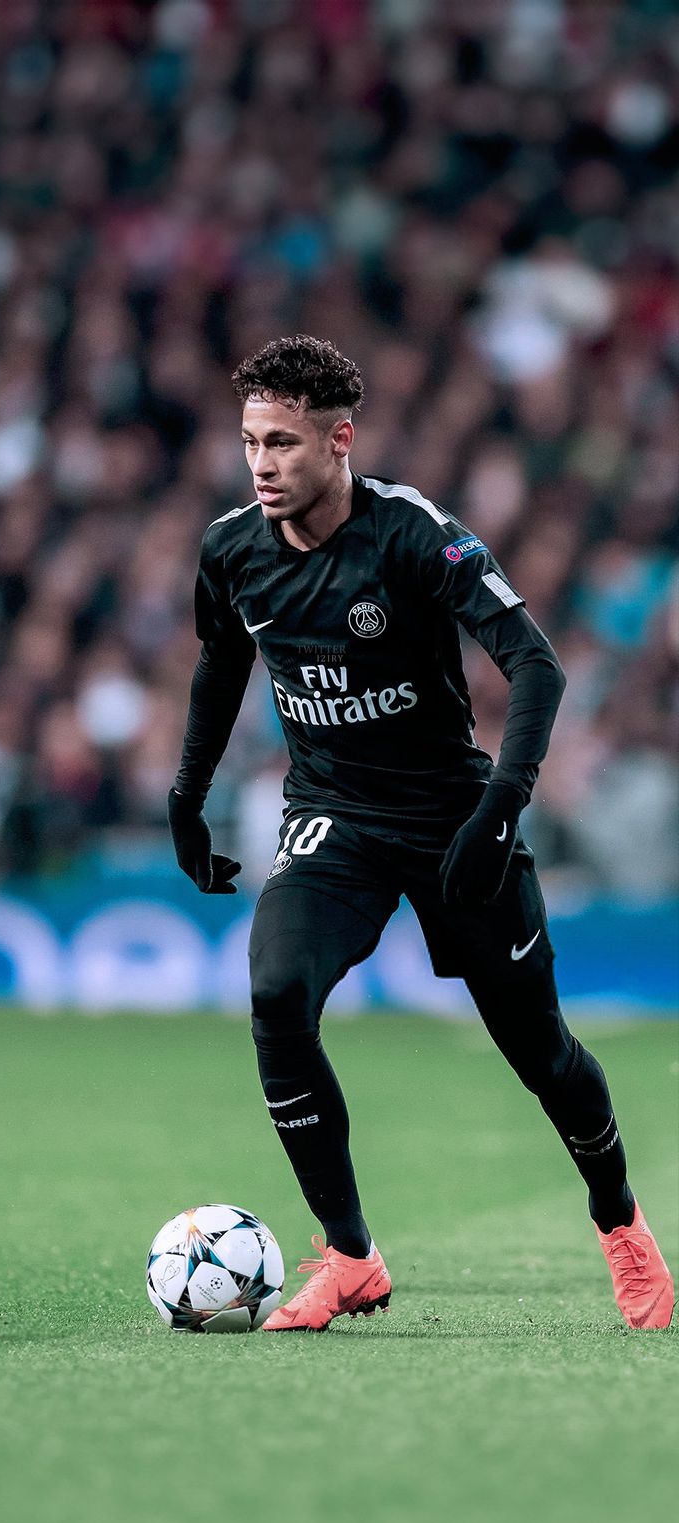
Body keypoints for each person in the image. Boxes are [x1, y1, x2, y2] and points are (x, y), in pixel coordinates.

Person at [169, 335, 673, 1333]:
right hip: (334, 823)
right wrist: (187, 795)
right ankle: (351, 1256)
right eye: (248, 443)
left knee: (542, 1054)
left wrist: (502, 808)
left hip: (456, 822)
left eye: (281, 442)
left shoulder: (411, 537)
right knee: (275, 992)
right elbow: (222, 663)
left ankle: (620, 1223)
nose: (261, 463)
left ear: (339, 439)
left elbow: (535, 667)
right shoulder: (231, 549)